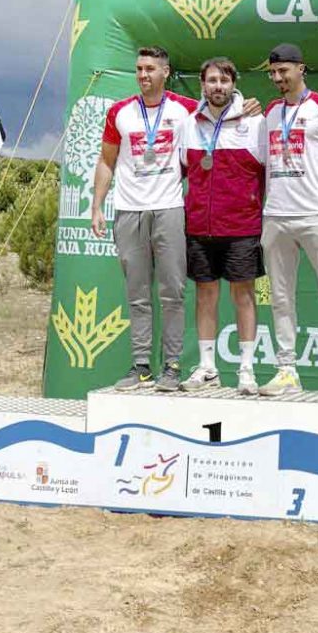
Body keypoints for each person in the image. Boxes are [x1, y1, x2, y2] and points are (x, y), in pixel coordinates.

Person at [91, 47, 196, 391]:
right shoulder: (120, 112)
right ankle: (141, 366)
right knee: (137, 293)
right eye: (138, 69)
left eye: (150, 68)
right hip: (129, 209)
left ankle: (172, 366)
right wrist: (97, 206)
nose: (143, 75)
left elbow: (223, 116)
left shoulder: (185, 109)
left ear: (165, 72)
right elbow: (107, 161)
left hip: (168, 207)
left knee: (172, 291)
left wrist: (242, 104)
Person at [258, 43, 318, 401]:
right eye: (272, 73)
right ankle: (287, 369)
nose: (277, 79)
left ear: (301, 69)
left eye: (283, 71)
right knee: (281, 297)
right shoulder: (269, 112)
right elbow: (264, 159)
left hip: (316, 213)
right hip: (276, 216)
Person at [180, 57, 265, 397]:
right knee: (205, 295)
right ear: (203, 85)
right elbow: (186, 168)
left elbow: (275, 167)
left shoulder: (255, 122)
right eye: (212, 80)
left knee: (243, 296)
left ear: (234, 84)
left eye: (224, 81)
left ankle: (246, 369)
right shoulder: (190, 123)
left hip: (242, 224)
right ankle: (207, 367)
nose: (218, 86)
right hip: (201, 225)